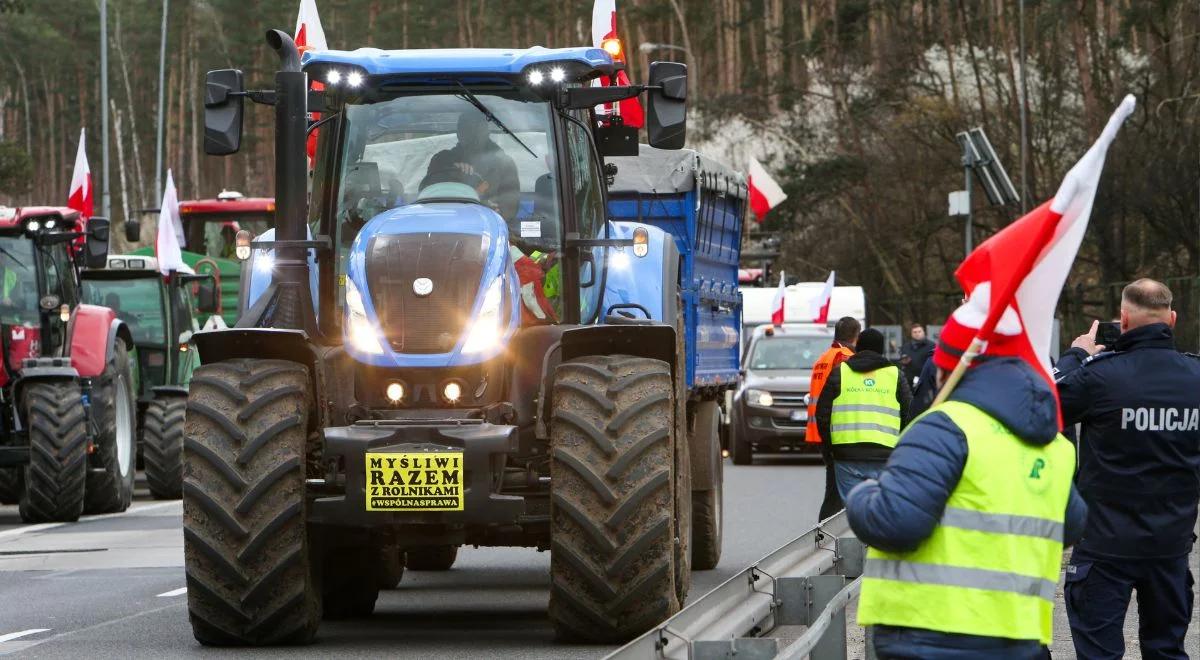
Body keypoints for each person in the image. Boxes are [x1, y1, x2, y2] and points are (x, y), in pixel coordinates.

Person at [846, 295, 1088, 659]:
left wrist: (862, 495)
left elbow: (895, 523)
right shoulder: (1051, 443)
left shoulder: (942, 428)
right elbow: (1071, 524)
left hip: (930, 636)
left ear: (946, 369)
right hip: (1018, 636)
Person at [1055, 278, 1200, 660]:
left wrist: (1076, 356)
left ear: (1123, 319)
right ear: (1171, 319)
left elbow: (1041, 406)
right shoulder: (1195, 377)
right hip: (1170, 545)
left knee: (1099, 654)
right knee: (1167, 651)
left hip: (1105, 544)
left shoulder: (1099, 375)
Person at [815, 328, 911, 499]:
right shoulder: (895, 375)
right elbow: (909, 414)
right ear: (882, 349)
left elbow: (822, 414)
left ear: (858, 347)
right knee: (881, 509)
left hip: (846, 455)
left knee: (849, 513)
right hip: (886, 455)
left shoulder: (840, 373)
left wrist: (830, 447)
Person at [420, 110, 520, 220]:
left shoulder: (504, 164)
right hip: (443, 222)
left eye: (477, 128)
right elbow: (426, 196)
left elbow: (509, 210)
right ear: (458, 133)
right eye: (467, 129)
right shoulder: (441, 160)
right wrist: (453, 172)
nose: (473, 134)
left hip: (487, 226)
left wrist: (490, 209)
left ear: (487, 132)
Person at [807, 316, 859, 520]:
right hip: (837, 431)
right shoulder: (844, 358)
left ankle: (826, 535)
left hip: (822, 431)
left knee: (834, 490)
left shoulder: (823, 358)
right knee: (836, 494)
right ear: (857, 336)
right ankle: (826, 536)